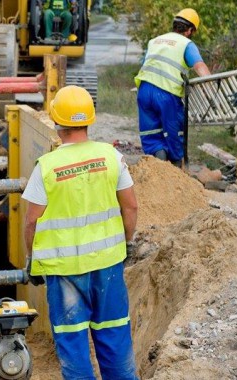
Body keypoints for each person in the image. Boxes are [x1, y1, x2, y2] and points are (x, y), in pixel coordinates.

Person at [22, 85, 139, 379]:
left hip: (64, 273)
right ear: (90, 119)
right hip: (108, 266)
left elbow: (31, 222)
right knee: (114, 337)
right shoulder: (111, 156)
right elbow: (131, 207)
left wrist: (32, 259)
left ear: (57, 123)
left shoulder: (47, 167)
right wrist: (126, 243)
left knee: (73, 344)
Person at [134, 8, 211, 165]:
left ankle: (160, 171)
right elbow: (199, 67)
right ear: (190, 31)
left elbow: (145, 65)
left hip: (144, 91)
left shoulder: (155, 41)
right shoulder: (186, 44)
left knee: (151, 134)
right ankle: (175, 175)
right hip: (166, 93)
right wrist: (211, 88)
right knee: (173, 133)